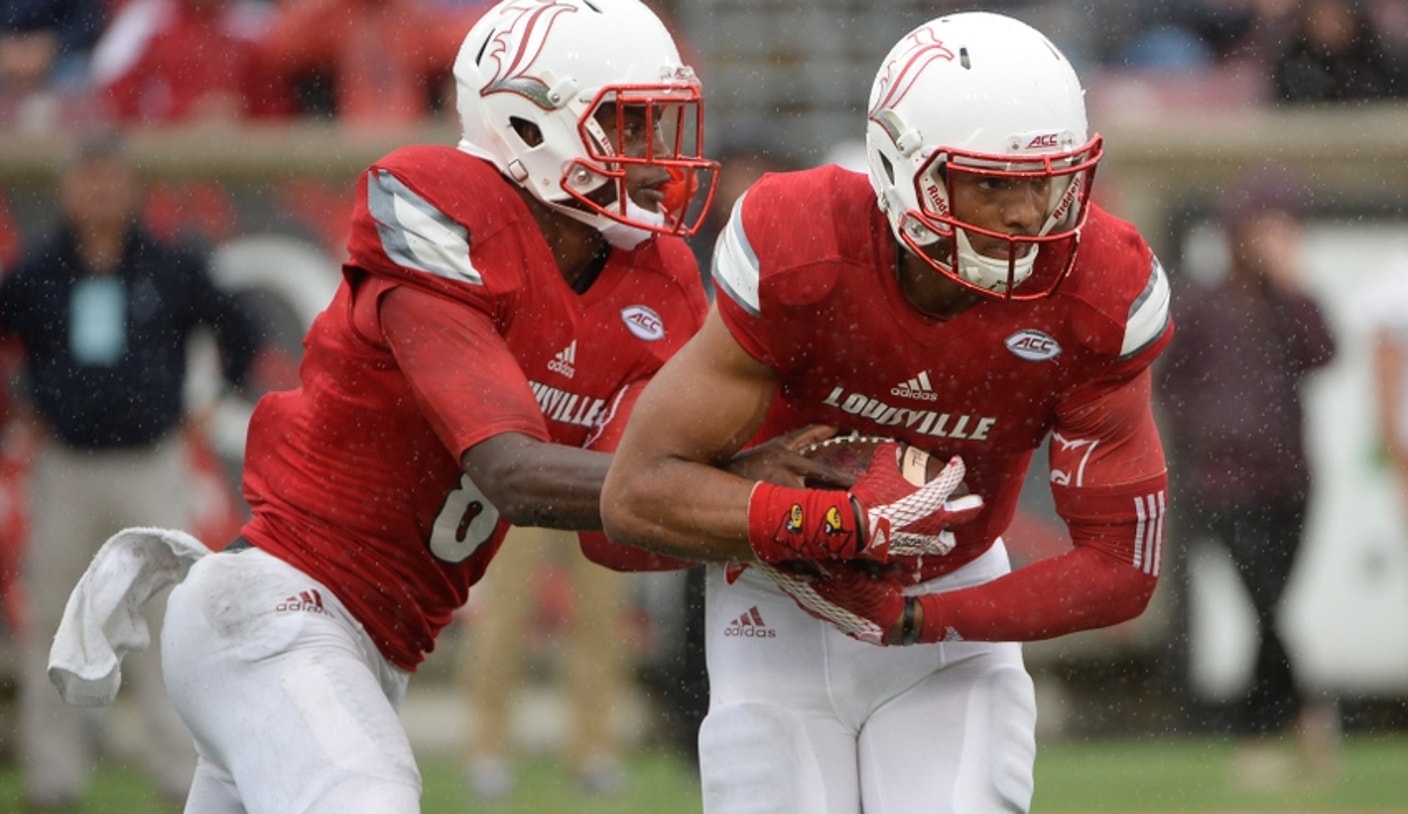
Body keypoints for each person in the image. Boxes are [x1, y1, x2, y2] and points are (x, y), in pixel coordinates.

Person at [122, 0, 717, 810]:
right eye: (630, 126)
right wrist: (772, 510)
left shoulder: (658, 278)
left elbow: (629, 525)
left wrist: (757, 486)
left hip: (367, 646)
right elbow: (514, 474)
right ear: (529, 123)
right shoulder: (441, 206)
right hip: (279, 611)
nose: (656, 160)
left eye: (663, 127)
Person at [601, 11, 1174, 813]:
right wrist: (831, 525)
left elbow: (1122, 566)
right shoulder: (804, 246)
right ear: (905, 169)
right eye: (994, 184)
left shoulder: (1098, 290)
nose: (1026, 217)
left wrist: (915, 615)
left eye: (1046, 181)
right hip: (776, 594)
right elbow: (634, 491)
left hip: (949, 590)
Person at [0, 130, 261, 810]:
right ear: (67, 189)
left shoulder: (170, 265)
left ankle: (182, 776)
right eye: (88, 180)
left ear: (131, 187)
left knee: (170, 624)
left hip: (151, 464)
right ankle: (52, 776)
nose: (100, 194)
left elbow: (241, 327)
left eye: (112, 179)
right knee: (53, 619)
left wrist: (211, 399)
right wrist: (16, 409)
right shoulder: (39, 271)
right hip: (64, 467)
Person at [1155, 167, 1339, 787]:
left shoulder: (1289, 306)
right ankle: (1286, 723)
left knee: (1271, 608)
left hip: (1290, 481)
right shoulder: (1203, 302)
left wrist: (1293, 286)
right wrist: (1202, 436)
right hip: (1223, 483)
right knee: (1263, 601)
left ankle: (1275, 728)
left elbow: (1325, 353)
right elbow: (1170, 381)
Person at [458, 525, 635, 798]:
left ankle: (593, 752)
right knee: (504, 611)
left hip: (592, 487)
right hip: (523, 486)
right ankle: (488, 751)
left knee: (600, 617)